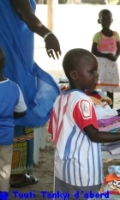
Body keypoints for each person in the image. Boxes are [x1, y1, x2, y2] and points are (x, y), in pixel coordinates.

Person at [48, 48, 120, 197]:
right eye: (91, 72)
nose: (97, 75)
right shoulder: (83, 101)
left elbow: (53, 131)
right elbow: (94, 135)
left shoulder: (61, 98)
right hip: (82, 173)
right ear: (74, 75)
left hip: (62, 168)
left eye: (96, 71)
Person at [0, 0, 61, 187]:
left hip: (9, 52)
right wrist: (48, 34)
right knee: (18, 107)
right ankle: (15, 174)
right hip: (12, 57)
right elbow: (23, 11)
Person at [0, 48, 27, 192]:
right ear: (4, 64)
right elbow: (22, 111)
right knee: (4, 172)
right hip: (6, 137)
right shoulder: (14, 88)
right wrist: (8, 114)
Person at [91, 9, 120, 108]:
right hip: (101, 67)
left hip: (111, 67)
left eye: (108, 19)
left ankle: (110, 109)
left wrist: (116, 56)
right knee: (100, 88)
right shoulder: (97, 36)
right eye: (103, 19)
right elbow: (93, 50)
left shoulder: (115, 35)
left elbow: (119, 48)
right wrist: (106, 55)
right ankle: (101, 108)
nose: (106, 21)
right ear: (99, 21)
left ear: (112, 20)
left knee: (110, 89)